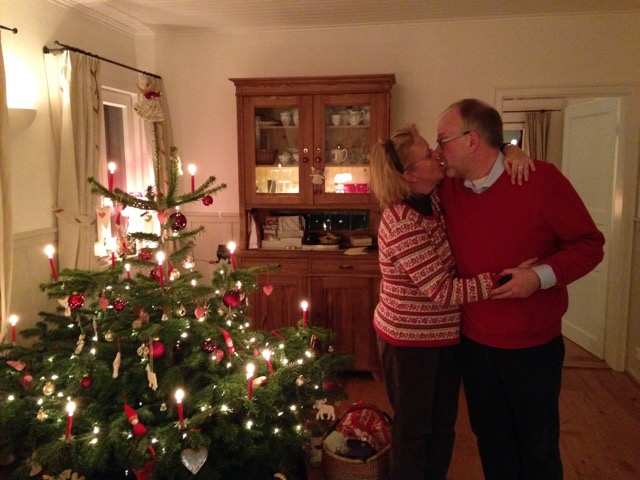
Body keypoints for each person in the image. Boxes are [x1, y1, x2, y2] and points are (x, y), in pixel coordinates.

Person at [436, 98, 605, 480]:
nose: (437, 150)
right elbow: (406, 176)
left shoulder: (541, 180)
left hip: (534, 347)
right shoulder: (449, 189)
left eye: (443, 140)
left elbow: (589, 245)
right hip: (475, 344)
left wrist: (539, 276)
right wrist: (508, 148)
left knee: (538, 447)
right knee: (491, 442)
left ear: (472, 140)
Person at [369, 125, 532, 480]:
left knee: (443, 426)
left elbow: (482, 162)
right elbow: (442, 290)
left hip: (443, 335)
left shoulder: (435, 196)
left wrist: (508, 149)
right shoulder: (401, 222)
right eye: (428, 155)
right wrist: (507, 280)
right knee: (413, 430)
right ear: (410, 175)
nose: (438, 155)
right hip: (408, 342)